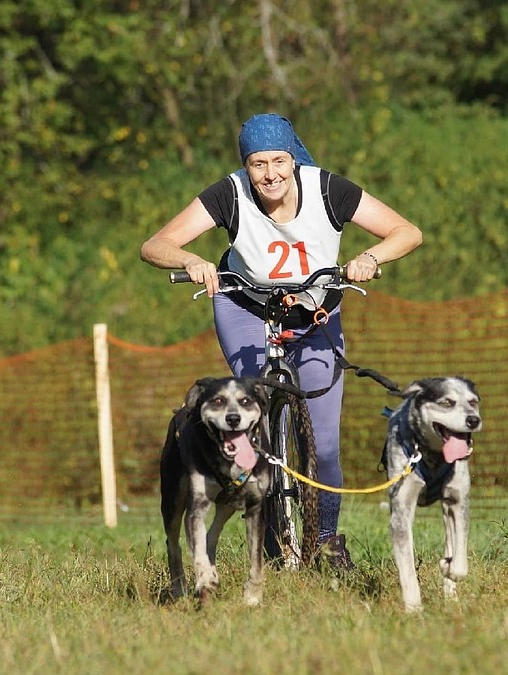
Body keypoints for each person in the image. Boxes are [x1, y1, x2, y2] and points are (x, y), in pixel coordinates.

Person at [140, 113, 423, 568]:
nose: (269, 174)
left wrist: (371, 256)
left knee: (326, 441)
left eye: (278, 161)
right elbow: (156, 244)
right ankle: (271, 533)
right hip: (245, 307)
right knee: (256, 420)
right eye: (257, 164)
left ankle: (328, 540)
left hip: (315, 312)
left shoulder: (329, 189)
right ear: (245, 166)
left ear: (293, 159)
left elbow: (408, 231)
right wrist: (190, 259)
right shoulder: (228, 194)